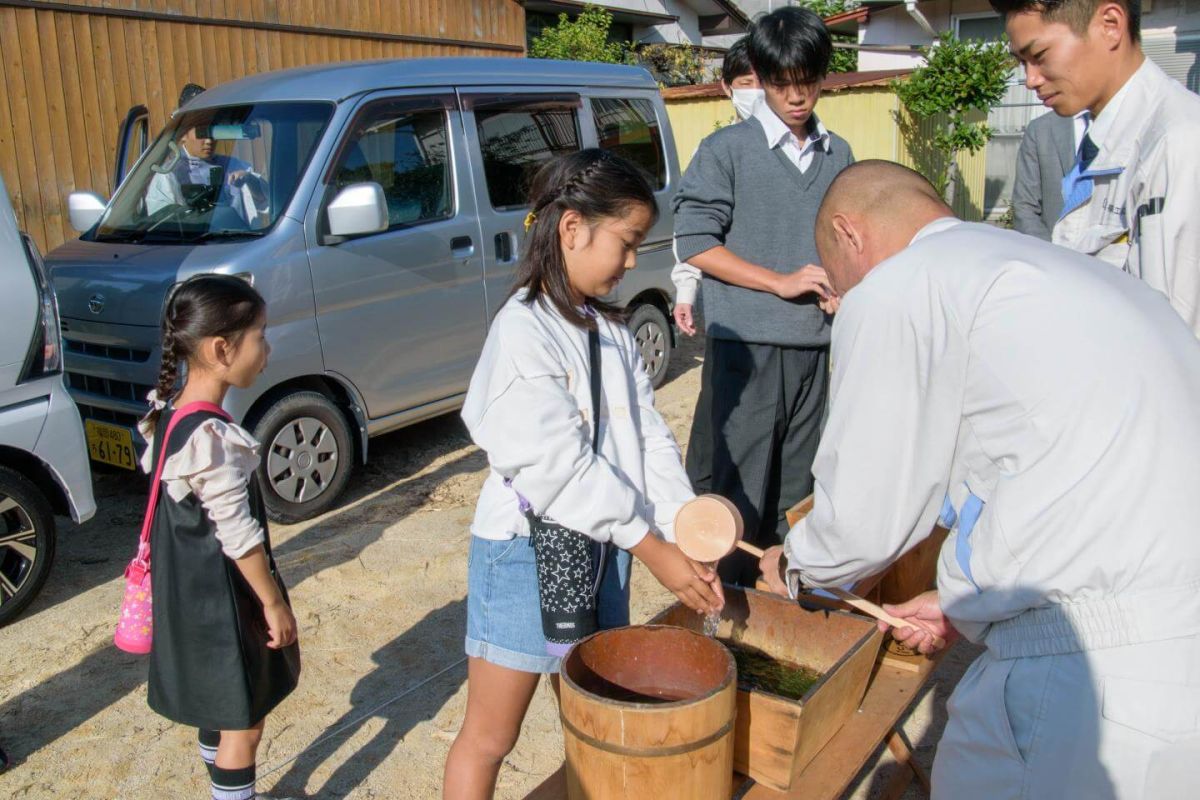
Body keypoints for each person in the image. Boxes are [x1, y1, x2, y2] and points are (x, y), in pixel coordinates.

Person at [760, 160, 1200, 799]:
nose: (841, 298)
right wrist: (961, 600)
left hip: (1090, 686)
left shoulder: (901, 285)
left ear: (847, 234)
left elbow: (862, 518)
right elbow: (1066, 460)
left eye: (837, 278)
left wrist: (795, 568)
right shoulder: (1068, 274)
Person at [444, 149, 723, 800]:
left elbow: (647, 434)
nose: (632, 262)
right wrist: (651, 546)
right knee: (491, 736)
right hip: (524, 554)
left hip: (605, 546)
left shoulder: (610, 328)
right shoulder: (524, 331)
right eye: (626, 242)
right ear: (572, 229)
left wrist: (680, 525)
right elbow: (557, 468)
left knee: (591, 716)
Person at [673, 6, 850, 586]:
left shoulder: (838, 153)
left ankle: (784, 598)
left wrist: (841, 289)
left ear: (823, 75)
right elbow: (695, 242)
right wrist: (779, 282)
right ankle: (724, 606)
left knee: (800, 484)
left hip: (816, 348)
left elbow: (847, 243)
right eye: (780, 84)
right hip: (746, 348)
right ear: (759, 75)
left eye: (807, 82)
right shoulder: (727, 149)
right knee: (735, 486)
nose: (796, 97)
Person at [140, 274, 300, 800]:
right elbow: (238, 534)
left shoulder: (170, 412)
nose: (267, 350)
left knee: (217, 706)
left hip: (187, 598)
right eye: (260, 335)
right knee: (243, 724)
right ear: (221, 347)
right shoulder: (213, 438)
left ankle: (221, 784)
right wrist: (273, 603)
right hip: (224, 603)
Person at [994, 0, 1200, 335]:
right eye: (1022, 62)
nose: (1030, 79)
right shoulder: (1104, 138)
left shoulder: (1175, 142)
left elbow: (1176, 340)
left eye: (1040, 55)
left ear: (1110, 25)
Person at [674, 35, 764, 494]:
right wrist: (686, 291)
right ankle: (708, 509)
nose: (757, 92)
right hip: (729, 313)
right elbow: (694, 231)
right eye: (747, 82)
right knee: (719, 413)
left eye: (763, 81)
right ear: (728, 88)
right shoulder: (716, 149)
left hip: (781, 315)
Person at [145, 123, 269, 228]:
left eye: (212, 133)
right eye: (201, 134)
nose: (209, 141)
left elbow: (267, 202)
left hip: (240, 244)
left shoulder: (234, 166)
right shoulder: (168, 175)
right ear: (183, 135)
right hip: (193, 248)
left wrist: (249, 180)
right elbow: (160, 222)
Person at [1010, 110, 1080, 239]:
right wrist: (1050, 253)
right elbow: (1024, 206)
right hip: (1052, 250)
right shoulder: (1041, 128)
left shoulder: (1127, 125)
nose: (1031, 88)